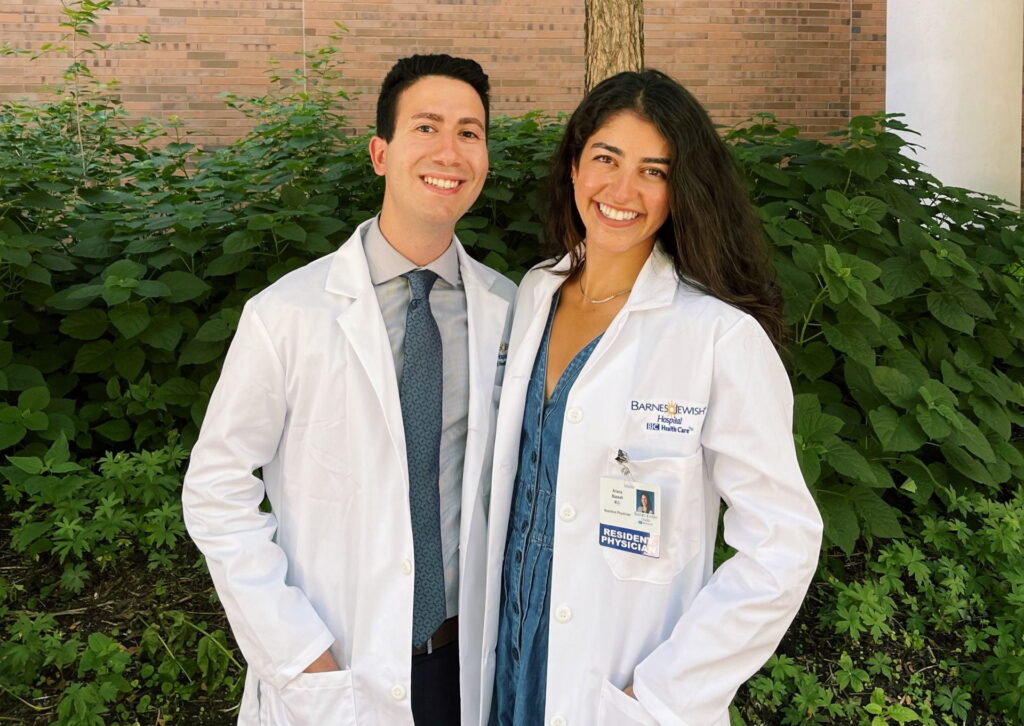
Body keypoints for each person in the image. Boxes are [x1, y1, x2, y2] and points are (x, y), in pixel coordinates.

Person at [480, 70, 823, 726]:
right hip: (506, 671)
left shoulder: (717, 336)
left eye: (654, 171)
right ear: (575, 163)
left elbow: (782, 544)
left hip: (616, 689)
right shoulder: (532, 295)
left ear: (680, 190)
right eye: (606, 159)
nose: (622, 190)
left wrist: (665, 694)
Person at [182, 54, 516, 726]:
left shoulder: (512, 314)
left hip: (470, 664)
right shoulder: (287, 313)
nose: (449, 150)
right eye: (426, 127)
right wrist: (298, 653)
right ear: (380, 153)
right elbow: (217, 488)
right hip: (335, 662)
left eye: (470, 132)